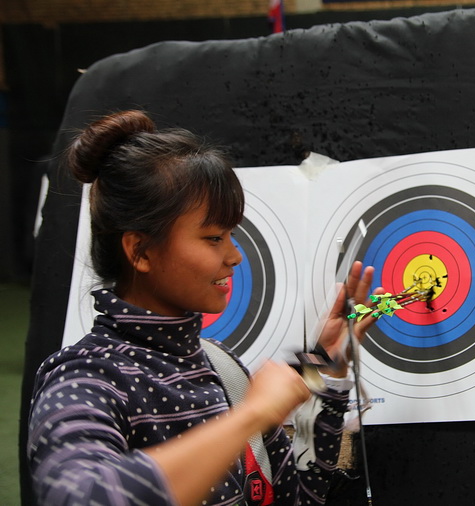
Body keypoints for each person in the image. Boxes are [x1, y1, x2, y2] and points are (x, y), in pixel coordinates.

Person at [27, 110, 380, 506]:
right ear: (140, 250)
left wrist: (322, 366)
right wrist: (250, 416)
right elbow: (73, 496)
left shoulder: (221, 367)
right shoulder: (85, 377)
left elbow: (297, 499)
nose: (235, 256)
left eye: (231, 236)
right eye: (213, 237)